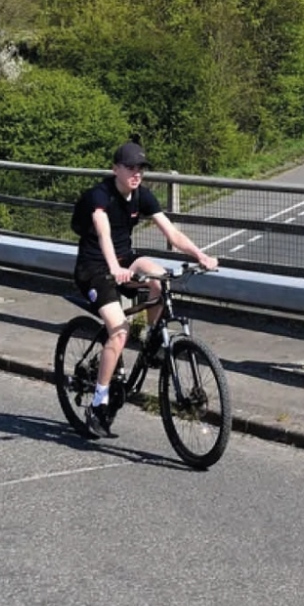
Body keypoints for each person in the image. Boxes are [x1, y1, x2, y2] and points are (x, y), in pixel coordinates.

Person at [71, 139, 218, 438]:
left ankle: (152, 339)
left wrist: (199, 255)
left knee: (159, 277)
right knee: (120, 330)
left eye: (141, 168)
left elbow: (172, 233)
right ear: (115, 169)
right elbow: (103, 232)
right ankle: (99, 402)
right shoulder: (99, 196)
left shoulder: (142, 196)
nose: (136, 174)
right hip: (95, 268)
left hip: (126, 260)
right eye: (130, 168)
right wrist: (113, 267)